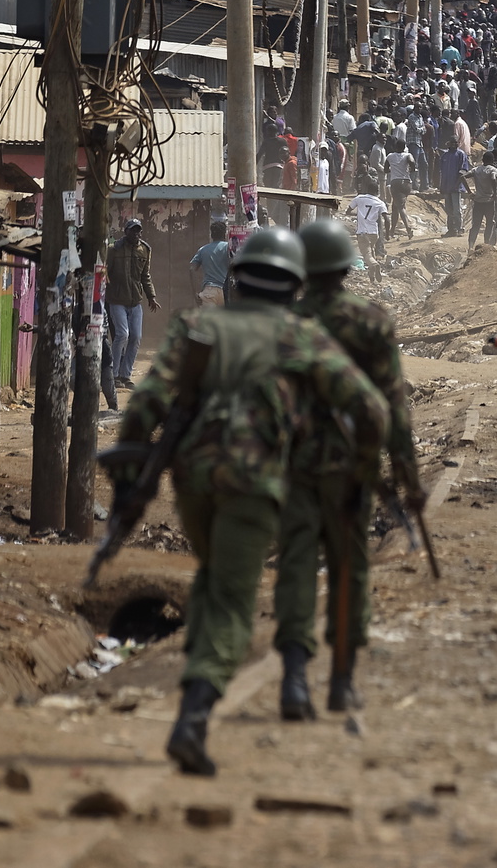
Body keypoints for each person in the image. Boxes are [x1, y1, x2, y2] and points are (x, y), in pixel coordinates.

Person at [120, 228, 390, 775]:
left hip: (192, 482)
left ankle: (205, 684)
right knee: (232, 598)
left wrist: (133, 479)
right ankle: (193, 716)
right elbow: (370, 409)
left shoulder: (197, 326)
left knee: (214, 576)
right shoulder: (300, 337)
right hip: (255, 484)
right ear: (292, 285)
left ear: (238, 277)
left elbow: (146, 402)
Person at [275, 220, 423, 720]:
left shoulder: (285, 324)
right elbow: (393, 405)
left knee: (295, 564)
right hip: (353, 468)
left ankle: (294, 679)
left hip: (293, 466)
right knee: (348, 567)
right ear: (345, 266)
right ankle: (341, 680)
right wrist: (408, 476)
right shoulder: (370, 322)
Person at [106, 218, 159, 388]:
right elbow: (105, 272)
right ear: (126, 232)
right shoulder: (113, 250)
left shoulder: (144, 250)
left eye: (138, 231)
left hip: (136, 301)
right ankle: (113, 374)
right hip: (116, 300)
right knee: (122, 334)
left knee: (136, 337)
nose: (136, 234)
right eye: (132, 231)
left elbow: (145, 276)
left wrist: (151, 296)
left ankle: (125, 375)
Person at [189, 220, 232, 307]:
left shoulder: (203, 249)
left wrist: (195, 292)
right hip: (226, 291)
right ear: (224, 234)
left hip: (209, 292)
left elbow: (192, 269)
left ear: (211, 234)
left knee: (207, 321)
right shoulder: (229, 248)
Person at [349, 187, 388, 278]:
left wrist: (359, 214)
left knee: (366, 254)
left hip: (362, 232)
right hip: (374, 233)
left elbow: (348, 210)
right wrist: (388, 233)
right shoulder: (380, 202)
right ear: (377, 192)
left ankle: (374, 265)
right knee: (371, 250)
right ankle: (372, 274)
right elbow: (387, 219)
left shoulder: (359, 198)